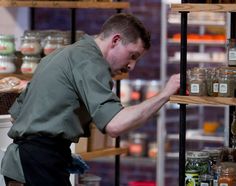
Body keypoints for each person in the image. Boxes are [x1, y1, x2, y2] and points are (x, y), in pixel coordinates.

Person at [1, 13, 180, 186]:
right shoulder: (90, 62)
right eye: (132, 56)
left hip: (21, 163)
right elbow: (115, 125)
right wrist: (164, 94)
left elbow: (16, 116)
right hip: (38, 164)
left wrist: (54, 145)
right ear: (116, 40)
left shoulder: (65, 54)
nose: (131, 66)